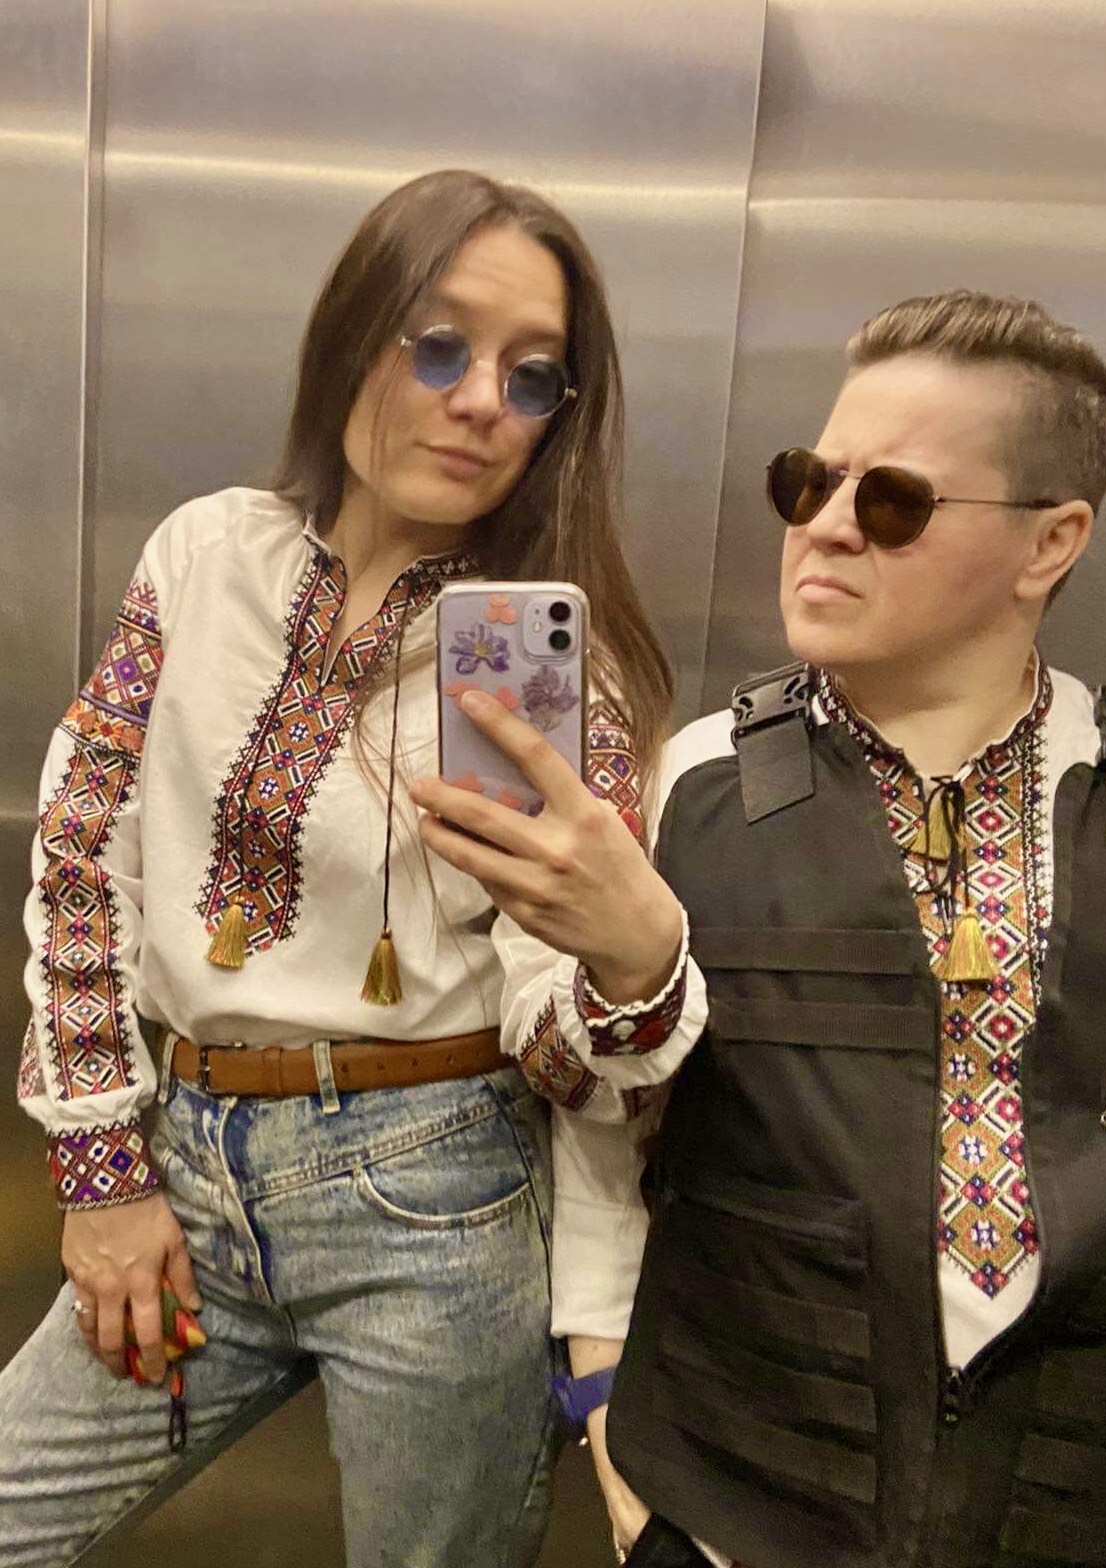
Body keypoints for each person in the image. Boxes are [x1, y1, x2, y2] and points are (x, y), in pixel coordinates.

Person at [0, 168, 700, 1568]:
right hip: (182, 1166)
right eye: (438, 346)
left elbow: (557, 1047)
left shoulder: (550, 672)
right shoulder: (205, 554)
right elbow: (81, 851)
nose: (480, 400)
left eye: (532, 375)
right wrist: (100, 1170)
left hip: (435, 1203)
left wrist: (630, 967)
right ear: (350, 338)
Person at [507, 289, 1106, 1568]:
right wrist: (606, 1406)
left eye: (894, 499)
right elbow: (595, 1133)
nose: (827, 527)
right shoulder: (690, 783)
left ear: (1050, 541)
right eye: (809, 481)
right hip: (732, 1507)